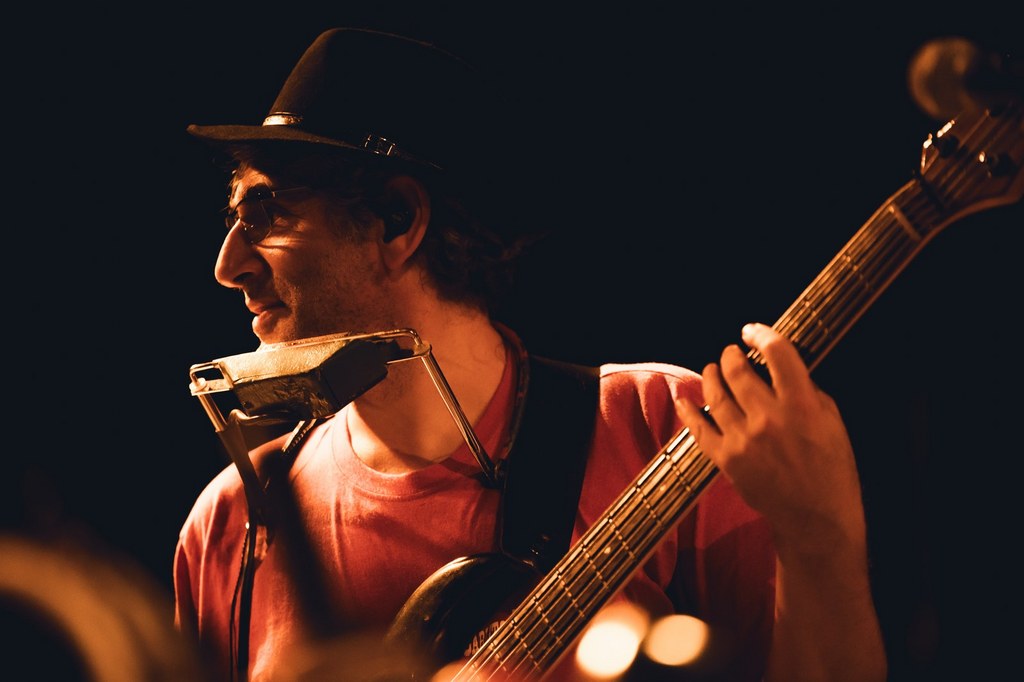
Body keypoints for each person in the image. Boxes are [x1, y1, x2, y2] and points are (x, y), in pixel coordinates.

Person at [174, 27, 888, 682]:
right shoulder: (231, 523)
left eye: (266, 215)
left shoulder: (666, 429)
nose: (226, 266)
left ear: (397, 220)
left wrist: (821, 536)